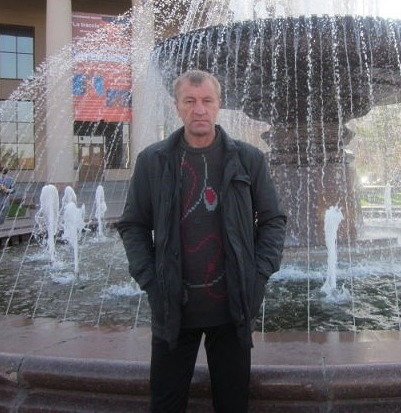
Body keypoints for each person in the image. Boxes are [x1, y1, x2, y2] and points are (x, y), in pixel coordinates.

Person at [117, 69, 286, 412]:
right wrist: (151, 281)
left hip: (233, 309)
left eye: (207, 101)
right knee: (166, 405)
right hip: (172, 309)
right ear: (177, 106)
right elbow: (133, 225)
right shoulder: (153, 161)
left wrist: (257, 275)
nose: (199, 109)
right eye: (190, 101)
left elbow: (273, 220)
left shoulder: (248, 159)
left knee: (232, 404)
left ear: (218, 104)